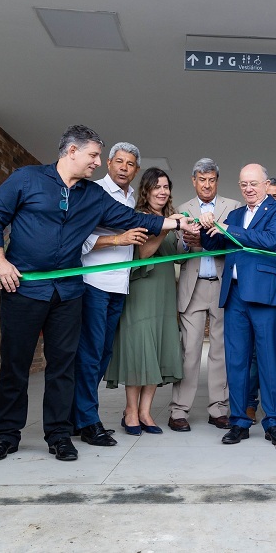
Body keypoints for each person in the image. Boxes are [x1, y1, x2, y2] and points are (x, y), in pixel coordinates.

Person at [0, 125, 198, 463]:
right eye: (94, 155)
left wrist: (178, 222)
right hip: (23, 287)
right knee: (15, 365)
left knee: (64, 366)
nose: (98, 162)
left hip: (68, 292)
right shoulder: (27, 179)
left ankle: (59, 435)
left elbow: (130, 218)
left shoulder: (92, 196)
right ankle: (6, 436)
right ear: (72, 152)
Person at [199, 164, 276, 446]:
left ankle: (273, 422)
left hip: (265, 294)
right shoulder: (235, 214)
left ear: (266, 185)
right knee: (236, 361)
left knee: (269, 360)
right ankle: (239, 421)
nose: (248, 189)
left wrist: (227, 229)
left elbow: (270, 241)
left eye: (253, 183)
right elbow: (213, 246)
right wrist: (206, 226)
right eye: (243, 184)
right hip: (236, 294)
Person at [71, 142, 144, 447]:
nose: (124, 167)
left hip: (119, 285)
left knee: (103, 354)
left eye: (130, 164)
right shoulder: (93, 192)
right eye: (119, 161)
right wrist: (118, 238)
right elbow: (81, 239)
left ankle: (78, 414)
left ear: (135, 170)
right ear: (108, 163)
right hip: (94, 284)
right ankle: (88, 421)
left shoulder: (132, 199)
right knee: (89, 354)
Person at [106, 168, 184, 436]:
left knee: (158, 347)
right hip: (141, 288)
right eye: (157, 187)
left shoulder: (171, 218)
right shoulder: (138, 217)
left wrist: (187, 236)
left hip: (164, 290)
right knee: (139, 348)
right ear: (146, 191)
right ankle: (130, 411)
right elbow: (145, 252)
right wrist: (166, 227)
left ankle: (145, 412)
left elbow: (177, 257)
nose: (162, 192)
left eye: (166, 187)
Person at [169, 159, 242, 431]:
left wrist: (213, 240)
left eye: (211, 179)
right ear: (193, 180)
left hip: (223, 286)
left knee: (220, 351)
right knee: (189, 351)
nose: (207, 184)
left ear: (217, 181)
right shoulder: (181, 210)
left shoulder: (233, 207)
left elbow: (237, 245)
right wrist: (188, 246)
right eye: (202, 179)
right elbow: (175, 253)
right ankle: (179, 411)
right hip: (193, 286)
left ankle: (218, 409)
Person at [246, 177, 276, 425]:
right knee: (255, 352)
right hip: (261, 291)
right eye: (268, 196)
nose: (271, 202)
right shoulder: (254, 222)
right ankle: (250, 404)